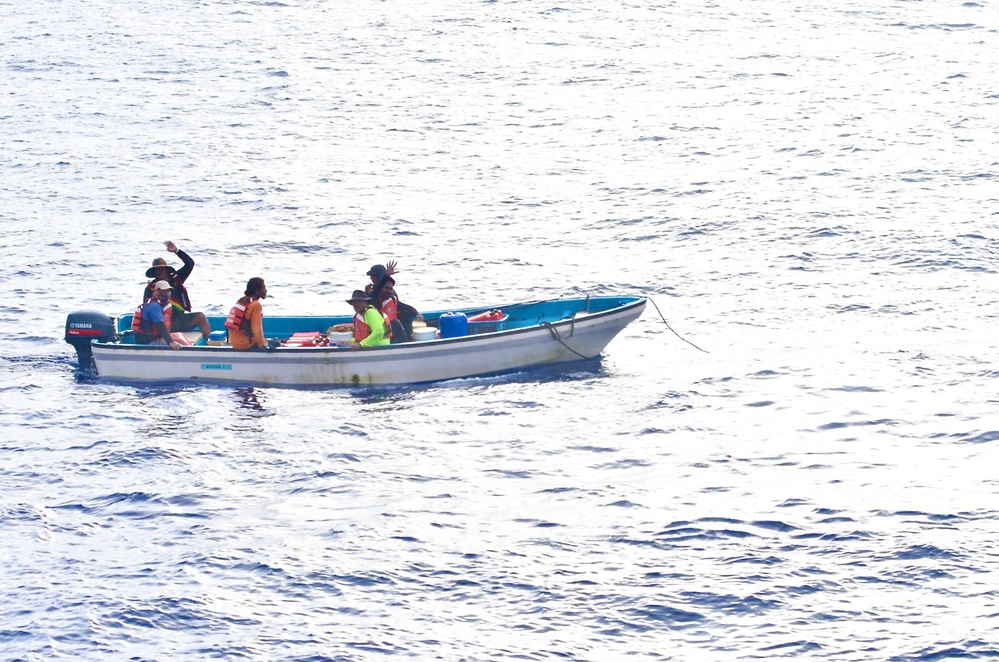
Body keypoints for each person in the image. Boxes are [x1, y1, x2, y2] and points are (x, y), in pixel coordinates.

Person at [142, 240, 211, 342]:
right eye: (156, 270)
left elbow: (190, 263)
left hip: (180, 318)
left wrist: (176, 251)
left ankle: (211, 344)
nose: (159, 271)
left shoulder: (176, 279)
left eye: (161, 269)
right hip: (163, 322)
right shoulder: (150, 289)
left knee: (201, 316)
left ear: (166, 270)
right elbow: (147, 309)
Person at [134, 281, 182, 349]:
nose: (167, 294)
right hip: (148, 342)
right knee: (178, 341)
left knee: (179, 336)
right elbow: (160, 325)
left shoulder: (155, 304)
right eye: (164, 291)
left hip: (152, 338)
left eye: (168, 291)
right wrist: (171, 342)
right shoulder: (154, 306)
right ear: (157, 292)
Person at [226, 277, 269, 351]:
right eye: (263, 288)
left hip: (234, 343)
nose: (266, 290)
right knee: (276, 343)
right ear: (257, 291)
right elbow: (256, 329)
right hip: (246, 344)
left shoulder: (243, 301)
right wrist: (263, 345)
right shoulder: (256, 305)